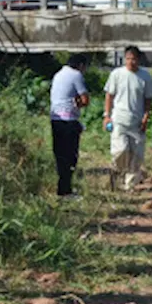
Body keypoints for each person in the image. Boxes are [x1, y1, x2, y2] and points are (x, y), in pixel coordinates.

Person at [103, 46, 152, 191]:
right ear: (124, 59)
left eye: (134, 59)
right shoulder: (117, 74)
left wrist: (146, 116)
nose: (131, 62)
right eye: (128, 59)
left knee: (136, 156)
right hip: (119, 119)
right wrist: (106, 115)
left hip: (137, 121)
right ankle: (116, 173)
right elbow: (109, 95)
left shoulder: (145, 76)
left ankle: (130, 186)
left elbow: (148, 98)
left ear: (138, 60)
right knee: (121, 151)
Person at [49, 54, 90, 197]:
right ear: (81, 65)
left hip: (55, 119)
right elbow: (85, 100)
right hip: (69, 120)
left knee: (60, 155)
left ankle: (62, 189)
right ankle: (66, 191)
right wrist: (78, 103)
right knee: (70, 156)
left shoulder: (58, 74)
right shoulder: (76, 75)